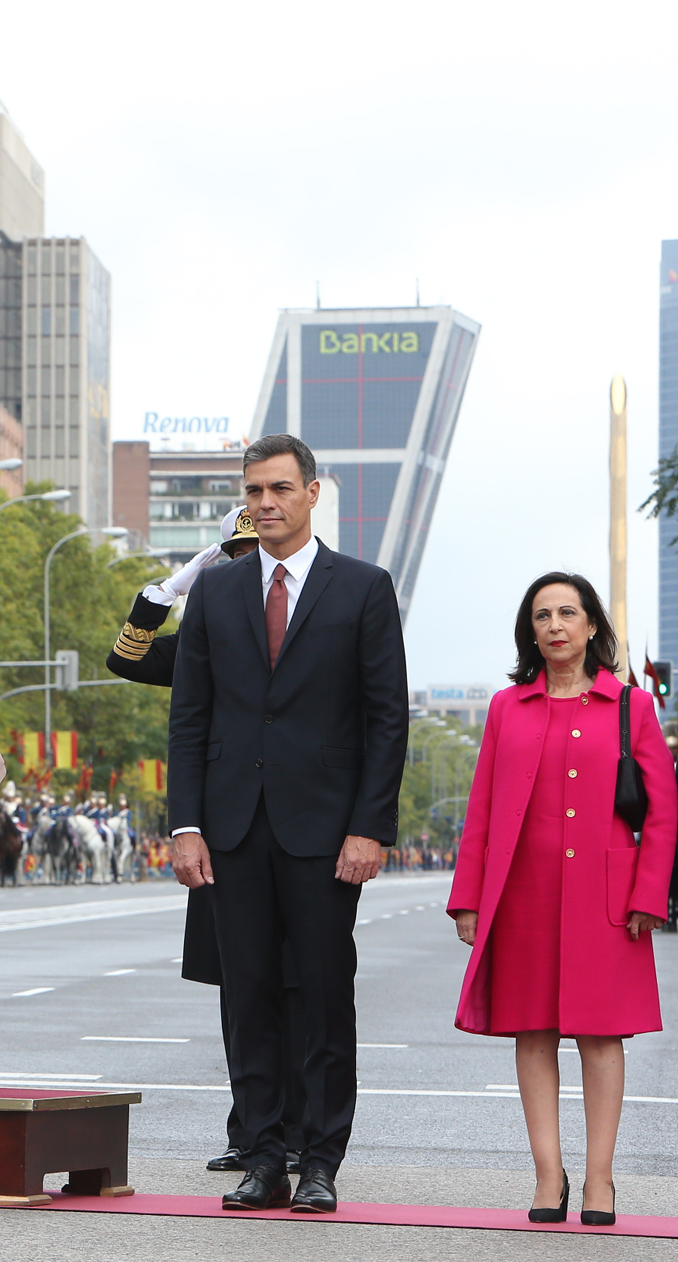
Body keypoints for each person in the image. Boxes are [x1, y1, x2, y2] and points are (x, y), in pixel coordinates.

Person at [168, 434, 409, 1214]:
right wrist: (186, 824)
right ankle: (264, 1155)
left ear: (312, 493)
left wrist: (370, 827)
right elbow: (190, 718)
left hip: (325, 832)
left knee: (324, 997)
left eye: (278, 489)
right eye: (252, 491)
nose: (264, 503)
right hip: (233, 829)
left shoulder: (364, 589)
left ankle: (322, 1160)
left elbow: (385, 720)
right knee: (249, 997)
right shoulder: (215, 591)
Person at [447, 573, 675, 1225]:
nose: (554, 625)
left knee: (603, 1038)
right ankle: (549, 1177)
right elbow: (483, 808)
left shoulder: (631, 707)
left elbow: (661, 812)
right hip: (523, 893)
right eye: (542, 615)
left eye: (567, 613)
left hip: (609, 897)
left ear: (593, 626)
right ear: (531, 631)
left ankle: (600, 1181)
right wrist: (469, 897)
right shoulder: (505, 708)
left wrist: (648, 893)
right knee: (534, 1031)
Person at [104, 505, 306, 1174]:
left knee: (300, 986)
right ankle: (251, 1129)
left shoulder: (308, 614)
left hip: (298, 827)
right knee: (240, 990)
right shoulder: (205, 631)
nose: (251, 566)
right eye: (236, 555)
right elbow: (124, 658)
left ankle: (299, 1129)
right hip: (225, 830)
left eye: (259, 553)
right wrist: (168, 592)